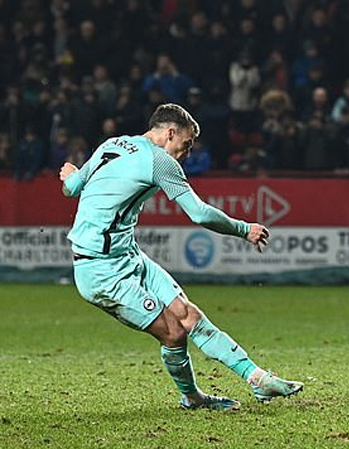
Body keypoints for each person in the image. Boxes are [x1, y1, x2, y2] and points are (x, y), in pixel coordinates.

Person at [58, 104, 303, 410]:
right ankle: (193, 398)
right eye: (186, 145)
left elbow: (73, 188)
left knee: (188, 314)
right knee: (174, 334)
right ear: (170, 133)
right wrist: (244, 229)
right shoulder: (159, 161)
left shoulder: (112, 143)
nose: (186, 154)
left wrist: (69, 174)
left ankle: (258, 379)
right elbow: (199, 213)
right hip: (101, 272)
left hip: (129, 256)